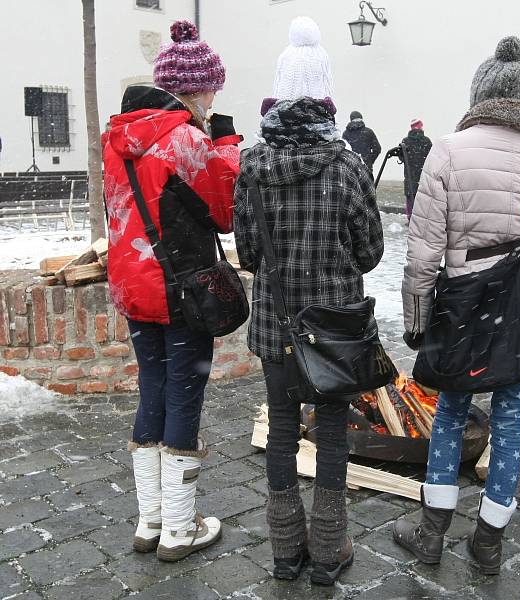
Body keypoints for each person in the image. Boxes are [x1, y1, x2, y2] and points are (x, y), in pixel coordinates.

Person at [393, 36, 520, 575]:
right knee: (512, 418)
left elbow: (423, 250)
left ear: (479, 95)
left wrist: (416, 318)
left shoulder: (448, 150)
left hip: (461, 303)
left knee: (450, 411)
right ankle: (489, 541)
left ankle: (431, 533)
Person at [233, 16, 383, 586]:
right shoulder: (347, 166)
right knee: (334, 433)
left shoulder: (251, 166)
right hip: (335, 329)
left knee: (280, 430)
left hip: (277, 327)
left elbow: (248, 252)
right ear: (326, 99)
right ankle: (327, 551)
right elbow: (370, 252)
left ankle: (285, 552)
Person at [103, 20, 241, 561]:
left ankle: (150, 521)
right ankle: (180, 530)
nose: (215, 98)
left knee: (153, 391)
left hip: (134, 287)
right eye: (212, 88)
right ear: (196, 88)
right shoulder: (184, 139)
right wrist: (226, 144)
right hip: (182, 292)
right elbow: (225, 212)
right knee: (184, 395)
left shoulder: (118, 138)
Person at [400, 119, 432, 218]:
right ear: (421, 127)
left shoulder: (405, 141)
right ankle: (423, 216)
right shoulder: (426, 141)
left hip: (410, 174)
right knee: (423, 195)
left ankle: (410, 216)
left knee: (410, 195)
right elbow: (432, 157)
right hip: (423, 172)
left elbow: (401, 157)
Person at [342, 110, 381, 180]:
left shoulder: (346, 134)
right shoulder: (368, 132)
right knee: (367, 189)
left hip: (350, 167)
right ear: (361, 119)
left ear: (351, 120)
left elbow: (342, 151)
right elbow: (377, 149)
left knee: (352, 189)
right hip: (366, 167)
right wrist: (369, 161)